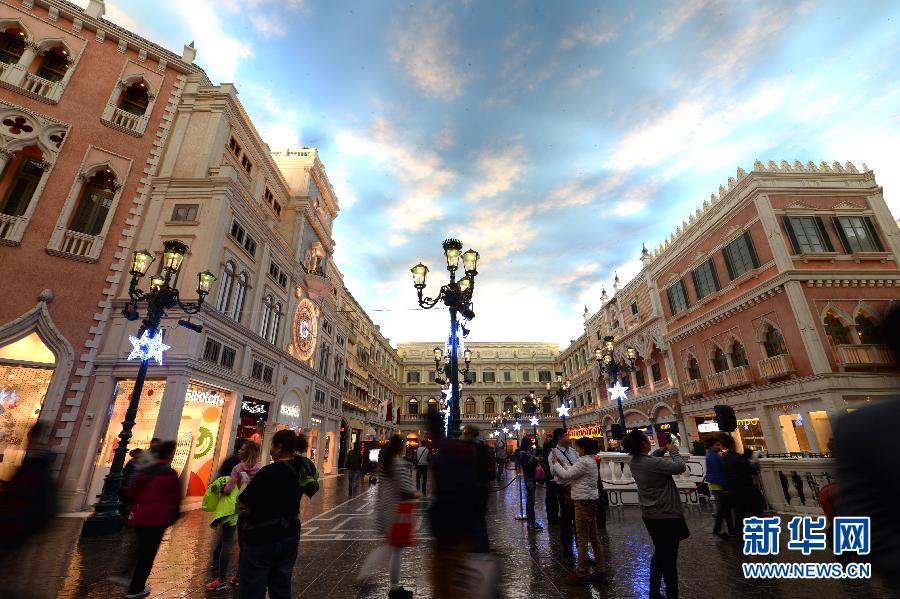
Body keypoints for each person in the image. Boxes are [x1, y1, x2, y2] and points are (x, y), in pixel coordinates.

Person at [238, 429, 311, 599]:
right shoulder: (300, 470)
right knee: (281, 587)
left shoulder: (268, 471)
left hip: (263, 537)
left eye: (272, 446)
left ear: (279, 447)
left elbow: (244, 500)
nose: (270, 450)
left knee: (253, 588)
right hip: (289, 534)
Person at [624, 430, 689, 599]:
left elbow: (650, 458)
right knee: (669, 558)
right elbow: (680, 467)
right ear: (643, 444)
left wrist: (662, 450)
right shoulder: (651, 464)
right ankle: (671, 593)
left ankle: (654, 591)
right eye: (646, 439)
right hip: (667, 514)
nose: (648, 440)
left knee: (660, 553)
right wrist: (674, 451)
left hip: (650, 515)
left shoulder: (634, 461)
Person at [123, 440, 180, 599]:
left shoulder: (146, 471)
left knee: (140, 548)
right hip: (158, 520)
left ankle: (130, 579)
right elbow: (175, 498)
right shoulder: (170, 473)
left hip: (141, 517)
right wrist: (172, 516)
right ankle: (136, 588)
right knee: (148, 554)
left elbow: (131, 492)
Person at [206, 440, 260, 591]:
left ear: (248, 452)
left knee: (227, 542)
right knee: (243, 544)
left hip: (234, 507)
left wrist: (220, 490)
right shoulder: (258, 469)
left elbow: (229, 489)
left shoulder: (238, 468)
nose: (239, 451)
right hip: (248, 509)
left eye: (243, 449)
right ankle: (239, 576)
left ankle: (221, 580)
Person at [551, 436, 606, 583]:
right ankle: (600, 569)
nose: (577, 450)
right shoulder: (591, 460)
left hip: (582, 501)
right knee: (594, 538)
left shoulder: (583, 461)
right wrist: (563, 463)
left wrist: (556, 464)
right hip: (591, 500)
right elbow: (574, 471)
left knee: (582, 539)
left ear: (583, 449)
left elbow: (566, 475)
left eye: (578, 448)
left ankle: (581, 572)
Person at [375, 435, 419, 599]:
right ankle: (394, 588)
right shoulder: (399, 464)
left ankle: (392, 586)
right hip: (397, 511)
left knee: (390, 547)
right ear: (401, 447)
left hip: (385, 509)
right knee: (395, 549)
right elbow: (405, 489)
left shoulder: (384, 464)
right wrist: (417, 493)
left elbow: (382, 488)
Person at [720, 434, 763, 540]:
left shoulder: (724, 458)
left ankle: (740, 536)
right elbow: (751, 470)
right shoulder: (736, 457)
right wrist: (755, 463)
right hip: (745, 488)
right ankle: (759, 533)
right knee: (756, 510)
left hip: (732, 489)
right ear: (732, 444)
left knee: (739, 513)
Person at [463, 424, 494, 553]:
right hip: (483, 486)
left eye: (465, 433)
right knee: (480, 517)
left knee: (470, 516)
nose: (463, 435)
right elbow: (491, 469)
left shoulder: (466, 449)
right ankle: (483, 545)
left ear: (469, 434)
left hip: (471, 487)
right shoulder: (484, 448)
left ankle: (473, 545)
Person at [551, 428, 578, 560]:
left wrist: (568, 469)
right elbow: (554, 471)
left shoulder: (573, 451)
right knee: (566, 521)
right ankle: (567, 552)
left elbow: (578, 467)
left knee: (579, 521)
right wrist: (571, 471)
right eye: (566, 435)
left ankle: (582, 552)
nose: (568, 437)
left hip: (577, 487)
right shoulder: (554, 453)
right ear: (559, 439)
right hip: (564, 490)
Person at [704, 435, 734, 539]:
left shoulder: (711, 455)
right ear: (711, 446)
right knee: (724, 509)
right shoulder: (714, 456)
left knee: (723, 508)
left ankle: (724, 529)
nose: (719, 446)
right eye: (717, 445)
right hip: (719, 486)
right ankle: (723, 529)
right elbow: (718, 473)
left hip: (716, 485)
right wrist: (725, 486)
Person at [517, 437, 543, 530]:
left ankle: (531, 521)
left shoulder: (526, 453)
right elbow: (527, 467)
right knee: (530, 501)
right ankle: (531, 521)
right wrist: (535, 460)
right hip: (529, 478)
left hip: (530, 478)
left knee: (530, 501)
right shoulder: (524, 454)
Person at [541, 432, 559, 523]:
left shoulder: (546, 445)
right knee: (552, 496)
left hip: (549, 474)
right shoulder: (551, 448)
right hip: (551, 474)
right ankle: (553, 516)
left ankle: (552, 515)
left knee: (551, 496)